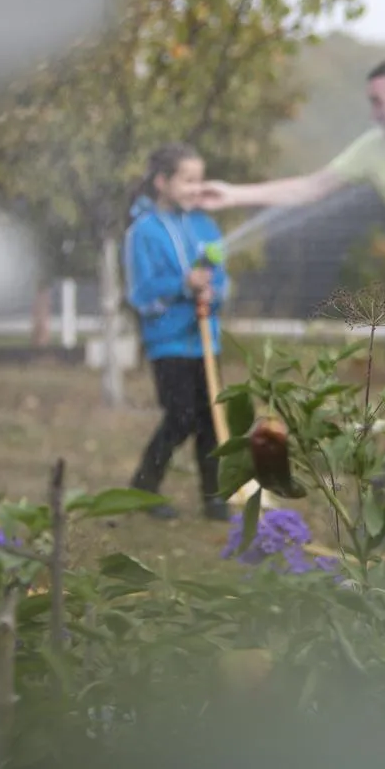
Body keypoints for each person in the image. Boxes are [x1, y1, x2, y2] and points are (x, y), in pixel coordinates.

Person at [198, 55, 385, 538]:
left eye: (379, 101)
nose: (374, 112)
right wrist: (234, 195)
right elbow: (312, 187)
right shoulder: (377, 147)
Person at [125, 142, 230, 522]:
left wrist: (212, 290)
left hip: (206, 339)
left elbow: (223, 280)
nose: (195, 189)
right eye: (188, 180)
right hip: (168, 341)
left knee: (211, 420)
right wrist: (183, 285)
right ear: (162, 182)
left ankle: (214, 498)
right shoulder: (143, 232)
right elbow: (141, 294)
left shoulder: (205, 225)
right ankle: (143, 487)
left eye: (199, 180)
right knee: (180, 416)